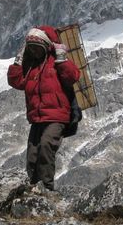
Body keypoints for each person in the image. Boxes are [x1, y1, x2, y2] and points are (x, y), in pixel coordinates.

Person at [7, 26, 80, 190]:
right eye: (31, 49)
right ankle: (34, 189)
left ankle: (47, 188)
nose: (34, 52)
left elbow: (73, 76)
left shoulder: (57, 62)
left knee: (46, 145)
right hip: (37, 118)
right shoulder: (31, 67)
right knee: (32, 155)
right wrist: (18, 62)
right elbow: (16, 82)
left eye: (37, 48)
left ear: (47, 46)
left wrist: (62, 59)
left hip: (57, 116)